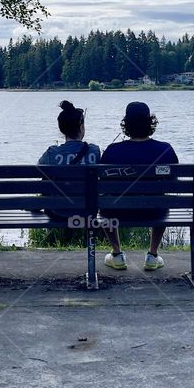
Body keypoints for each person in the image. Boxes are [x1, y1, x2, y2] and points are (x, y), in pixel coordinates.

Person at [99, 101, 178, 271]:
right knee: (161, 200)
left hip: (117, 211)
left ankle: (117, 254)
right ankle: (152, 255)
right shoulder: (165, 149)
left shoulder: (112, 150)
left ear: (126, 124)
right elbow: (173, 181)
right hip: (155, 210)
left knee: (105, 203)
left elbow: (102, 184)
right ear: (150, 122)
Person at [38, 101, 101, 221]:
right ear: (82, 127)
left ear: (61, 129)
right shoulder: (94, 151)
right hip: (87, 211)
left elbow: (39, 170)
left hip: (57, 211)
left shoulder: (51, 153)